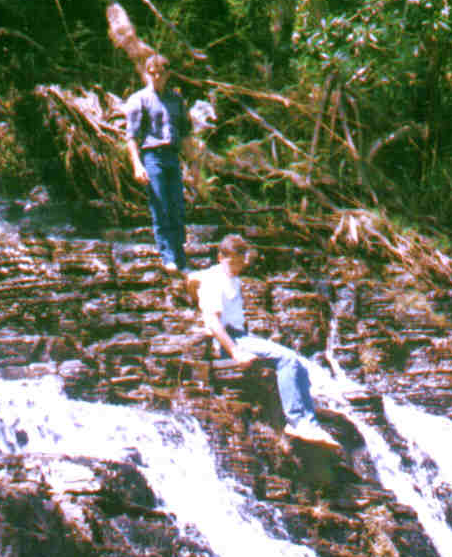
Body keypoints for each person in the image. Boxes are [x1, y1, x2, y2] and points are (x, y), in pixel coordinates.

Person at [187, 234, 340, 449]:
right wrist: (234, 352)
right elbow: (212, 321)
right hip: (229, 340)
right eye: (233, 262)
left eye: (241, 263)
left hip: (241, 335)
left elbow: (191, 279)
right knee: (287, 359)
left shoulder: (228, 276)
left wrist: (192, 292)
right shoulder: (214, 280)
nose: (237, 267)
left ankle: (310, 423)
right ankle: (297, 422)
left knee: (298, 363)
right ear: (220, 256)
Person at [124, 53, 188, 270]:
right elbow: (131, 137)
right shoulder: (139, 99)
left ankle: (180, 257)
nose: (157, 78)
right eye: (152, 74)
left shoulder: (177, 100)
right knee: (160, 206)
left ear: (168, 74)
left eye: (161, 74)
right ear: (147, 73)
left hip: (172, 157)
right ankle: (168, 257)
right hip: (152, 157)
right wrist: (137, 165)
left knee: (177, 207)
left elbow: (186, 134)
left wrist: (194, 166)